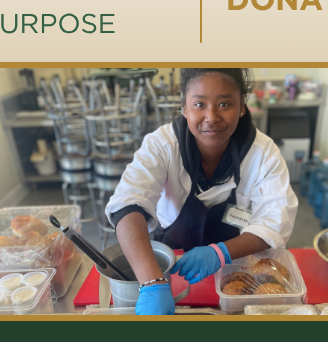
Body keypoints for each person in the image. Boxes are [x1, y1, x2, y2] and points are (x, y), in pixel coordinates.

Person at [105, 68, 298, 315]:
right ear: (184, 108)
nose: (211, 117)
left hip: (237, 261)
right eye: (199, 104)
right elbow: (127, 205)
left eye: (224, 103)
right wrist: (152, 283)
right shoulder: (162, 145)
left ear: (242, 106)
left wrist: (221, 252)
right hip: (171, 264)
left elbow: (276, 222)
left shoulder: (263, 153)